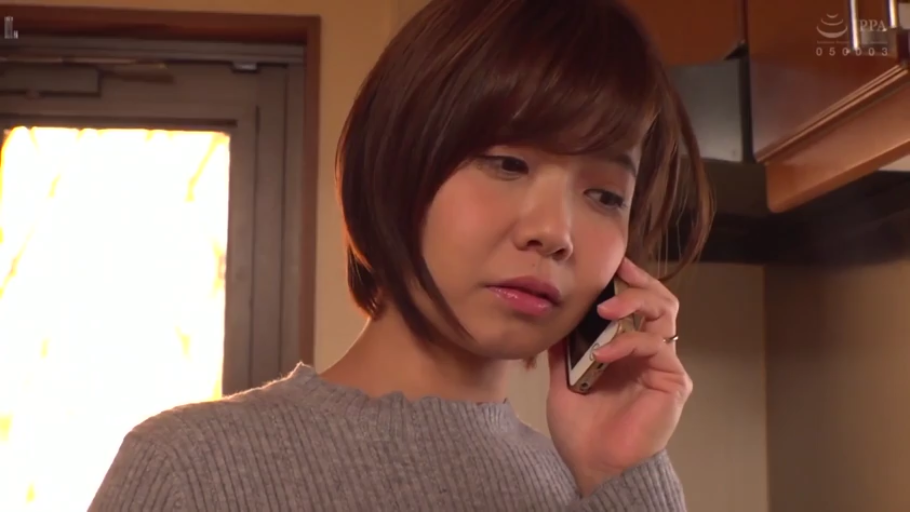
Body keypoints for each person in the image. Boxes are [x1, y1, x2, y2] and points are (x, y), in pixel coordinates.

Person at [89, 0, 713, 510]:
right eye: (507, 163)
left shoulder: (594, 488)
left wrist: (618, 477)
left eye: (605, 196)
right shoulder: (189, 471)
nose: (555, 232)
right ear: (395, 163)